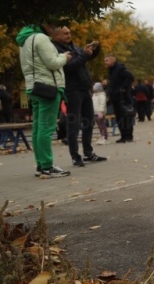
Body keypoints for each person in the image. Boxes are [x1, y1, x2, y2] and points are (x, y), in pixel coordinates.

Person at [17, 24, 72, 177]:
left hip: (34, 87)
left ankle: (41, 165)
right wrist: (64, 57)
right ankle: (47, 166)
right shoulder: (41, 38)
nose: (54, 27)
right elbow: (53, 63)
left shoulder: (25, 41)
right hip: (48, 88)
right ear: (44, 25)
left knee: (38, 129)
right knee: (46, 129)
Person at [49, 25, 107, 167]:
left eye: (69, 33)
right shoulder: (56, 50)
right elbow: (68, 68)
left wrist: (94, 49)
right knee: (73, 123)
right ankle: (75, 156)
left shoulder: (74, 46)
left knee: (89, 121)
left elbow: (86, 58)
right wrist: (84, 55)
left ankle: (88, 153)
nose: (69, 35)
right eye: (65, 33)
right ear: (56, 36)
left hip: (84, 88)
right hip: (72, 89)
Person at [104, 55, 135, 143]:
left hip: (122, 98)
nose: (105, 62)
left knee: (126, 116)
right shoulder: (111, 70)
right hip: (115, 97)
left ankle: (128, 136)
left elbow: (130, 77)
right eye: (104, 61)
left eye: (106, 60)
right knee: (119, 118)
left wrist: (123, 88)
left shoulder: (120, 68)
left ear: (112, 60)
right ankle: (123, 136)